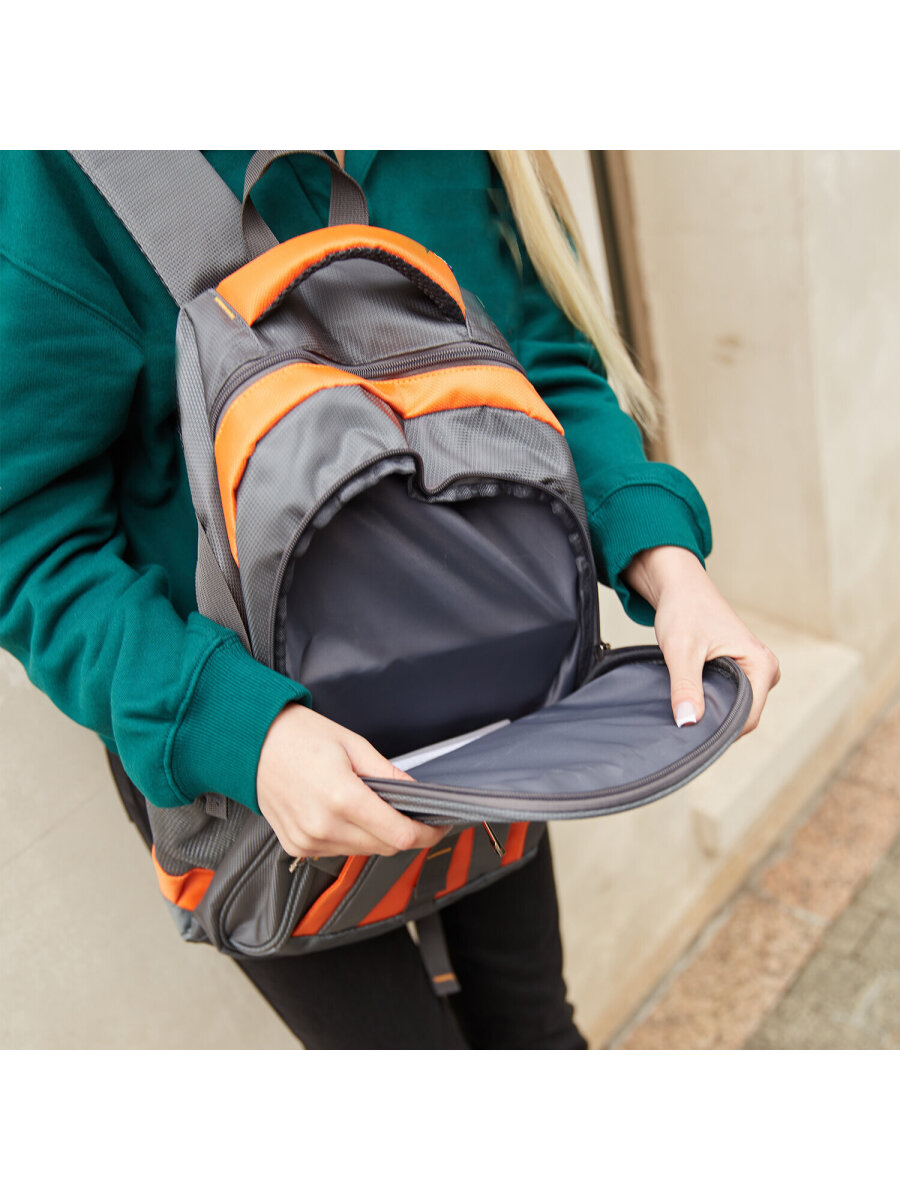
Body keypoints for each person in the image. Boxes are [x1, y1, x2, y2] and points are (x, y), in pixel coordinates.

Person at [0, 150, 780, 1050]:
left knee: (533, 1030)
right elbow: (31, 542)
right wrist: (245, 733)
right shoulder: (58, 164)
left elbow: (537, 359)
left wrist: (666, 562)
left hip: (492, 702)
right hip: (249, 775)